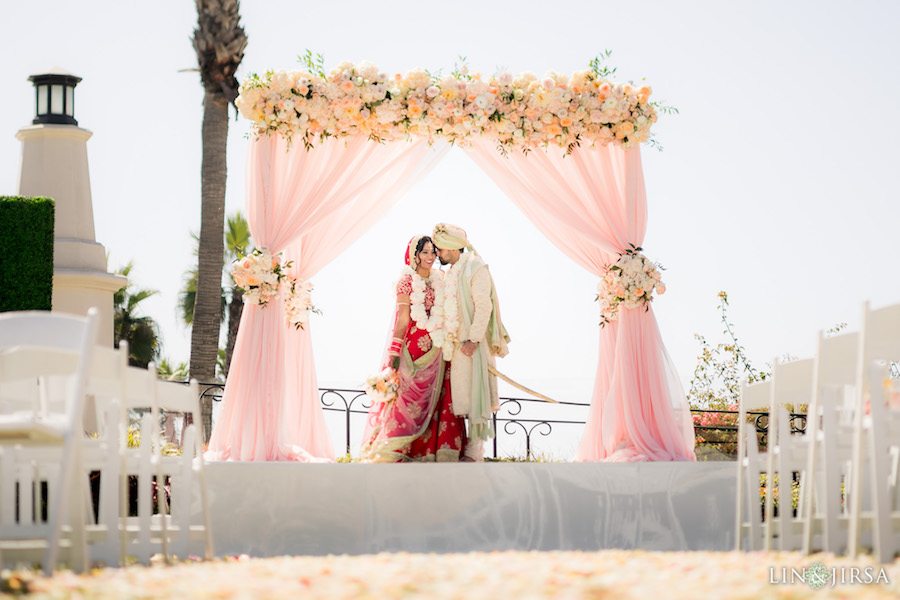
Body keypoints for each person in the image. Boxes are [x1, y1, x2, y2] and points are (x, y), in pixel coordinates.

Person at [359, 235, 467, 462]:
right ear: (414, 255)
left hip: (438, 347)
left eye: (432, 252)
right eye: (424, 252)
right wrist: (394, 352)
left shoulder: (441, 279)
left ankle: (434, 451)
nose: (430, 257)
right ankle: (397, 449)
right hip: (413, 351)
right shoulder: (407, 282)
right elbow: (403, 319)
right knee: (407, 400)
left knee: (439, 398)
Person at [432, 223, 510, 462]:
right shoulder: (453, 271)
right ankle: (461, 449)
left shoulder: (475, 267)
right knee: (462, 398)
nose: (438, 254)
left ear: (454, 248)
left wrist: (474, 340)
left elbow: (483, 306)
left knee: (477, 397)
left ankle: (475, 453)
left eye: (441, 250)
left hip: (471, 344)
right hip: (455, 346)